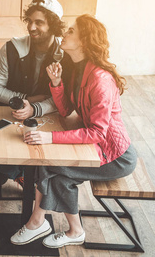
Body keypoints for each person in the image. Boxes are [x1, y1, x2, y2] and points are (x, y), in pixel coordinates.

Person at [10, 14, 137, 248]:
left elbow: (98, 133)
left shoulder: (100, 79)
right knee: (57, 176)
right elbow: (67, 110)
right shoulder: (77, 69)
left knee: (49, 165)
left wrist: (50, 137)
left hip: (115, 156)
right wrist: (57, 83)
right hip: (93, 147)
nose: (64, 34)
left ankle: (37, 222)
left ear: (84, 42)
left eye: (71, 31)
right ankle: (72, 230)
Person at [0, 0, 73, 187]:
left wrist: (34, 108)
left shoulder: (66, 53)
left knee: (47, 156)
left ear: (54, 25)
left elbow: (64, 98)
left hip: (46, 112)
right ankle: (14, 173)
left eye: (39, 23)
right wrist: (26, 99)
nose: (31, 27)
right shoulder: (11, 47)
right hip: (9, 110)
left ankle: (28, 176)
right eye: (30, 21)